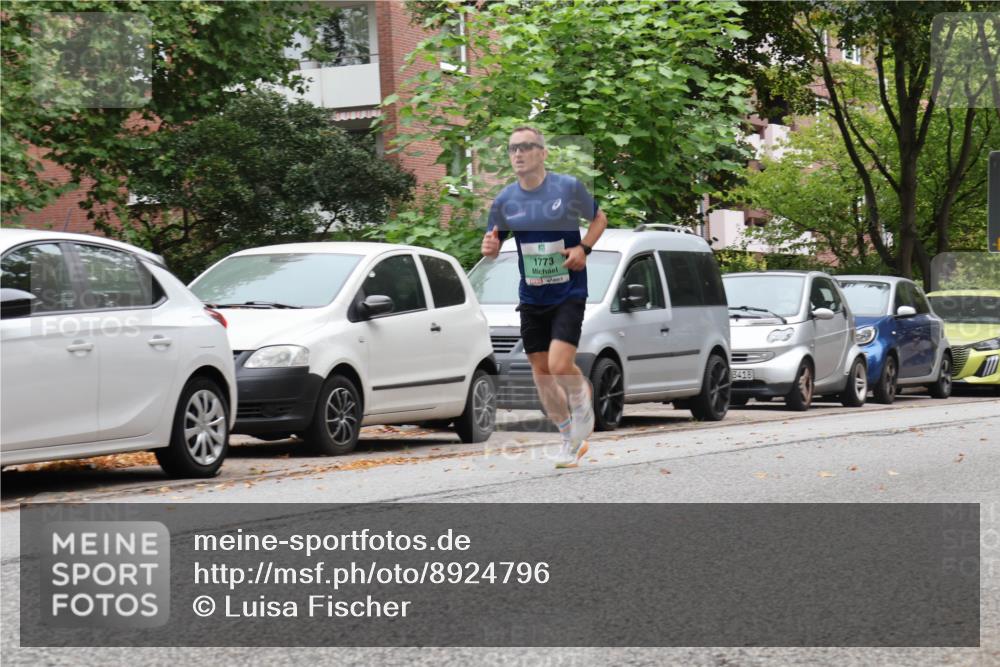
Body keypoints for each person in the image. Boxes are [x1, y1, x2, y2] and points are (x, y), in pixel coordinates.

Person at [481, 126, 608, 468]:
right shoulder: (505, 200)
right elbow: (492, 244)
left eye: (525, 147)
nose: (518, 154)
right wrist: (489, 247)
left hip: (568, 291)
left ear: (542, 152)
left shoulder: (566, 188)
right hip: (532, 294)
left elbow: (599, 219)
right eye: (512, 149)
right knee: (540, 371)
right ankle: (568, 437)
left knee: (558, 364)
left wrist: (584, 247)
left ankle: (582, 399)